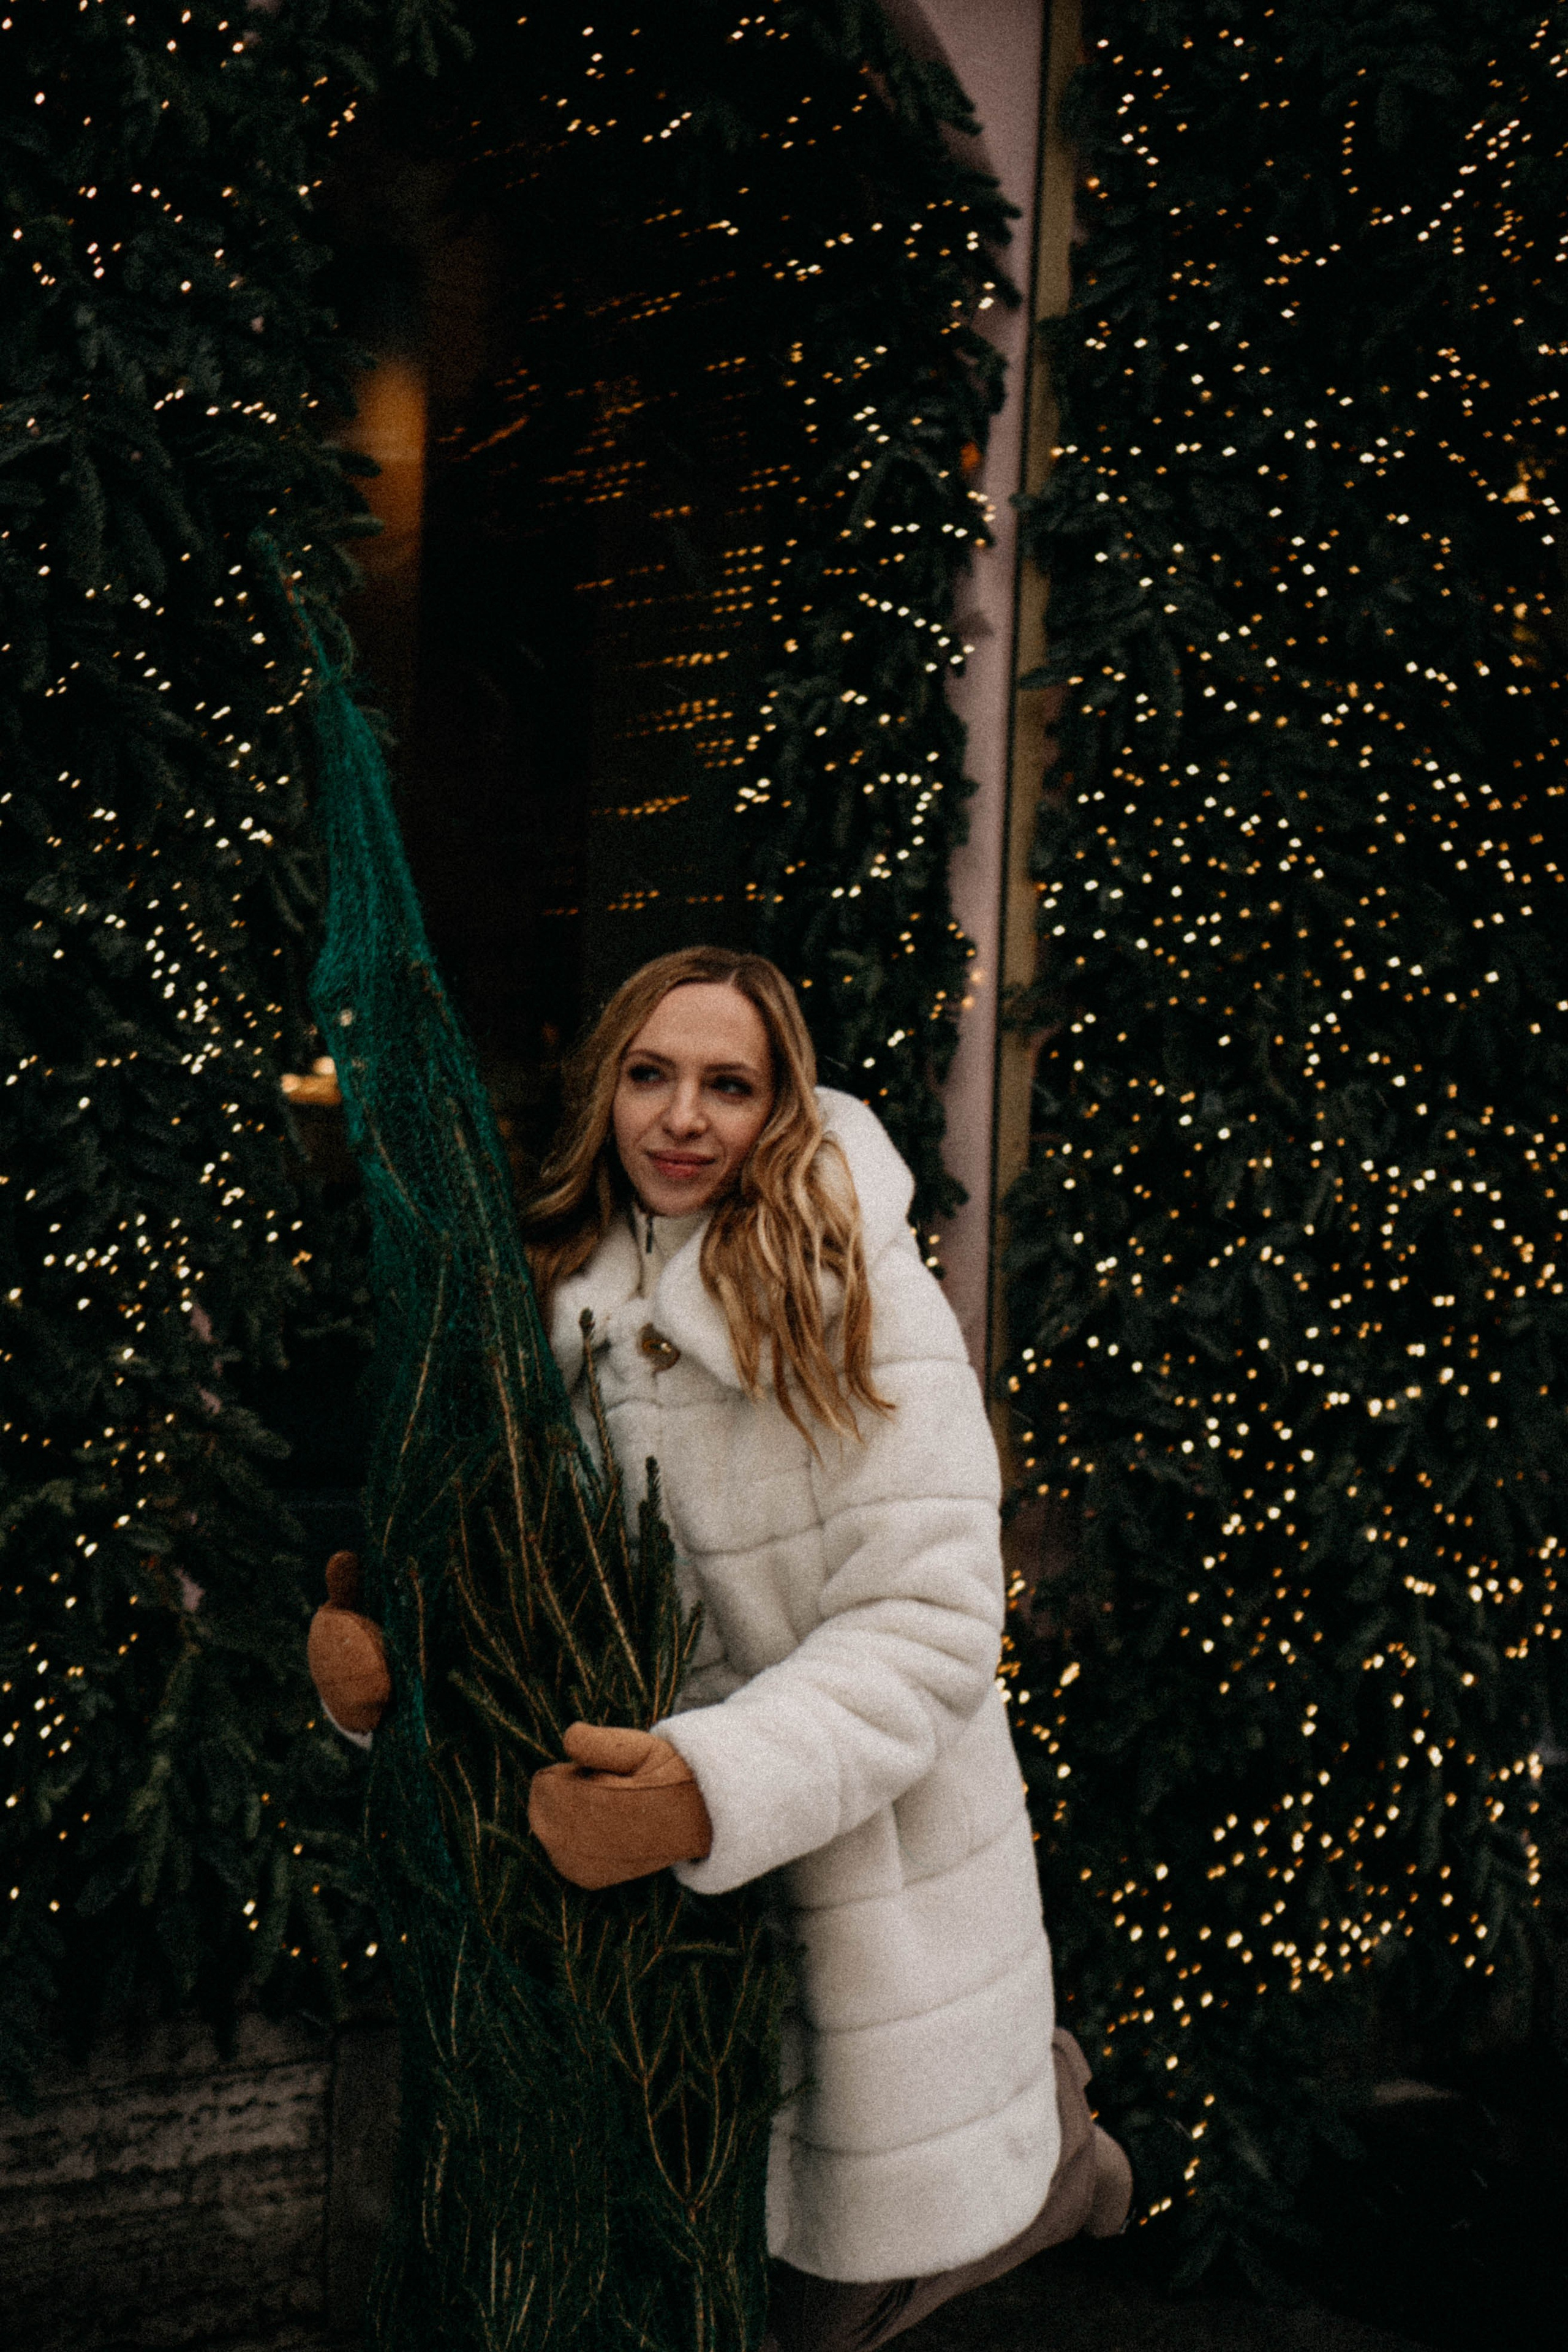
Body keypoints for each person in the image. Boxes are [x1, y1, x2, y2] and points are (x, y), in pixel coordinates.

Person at [307, 946, 1132, 2352]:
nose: (682, 1118)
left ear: (780, 1105)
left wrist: (710, 1786)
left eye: (728, 1086)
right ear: (606, 1090)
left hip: (851, 1867)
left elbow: (931, 1623)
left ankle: (1056, 2161)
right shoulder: (553, 1296)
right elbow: (530, 1596)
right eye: (650, 1075)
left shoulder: (849, 1289)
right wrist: (390, 1680)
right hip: (642, 1924)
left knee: (823, 2297)